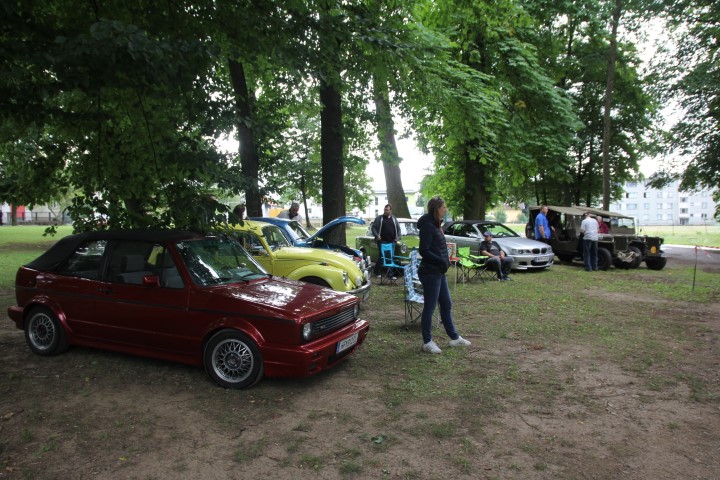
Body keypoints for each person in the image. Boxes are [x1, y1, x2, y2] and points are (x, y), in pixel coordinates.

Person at [417, 196, 471, 354]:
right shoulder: (427, 226)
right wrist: (440, 260)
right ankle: (427, 342)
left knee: (446, 304)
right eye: (443, 207)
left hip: (439, 272)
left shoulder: (436, 224)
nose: (445, 209)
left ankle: (455, 338)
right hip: (430, 272)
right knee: (430, 307)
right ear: (436, 209)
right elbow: (424, 250)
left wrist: (444, 260)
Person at [371, 204, 401, 278]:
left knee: (391, 257)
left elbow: (398, 229)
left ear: (390, 210)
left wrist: (397, 237)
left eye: (387, 210)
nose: (385, 211)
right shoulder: (379, 218)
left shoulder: (394, 218)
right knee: (382, 257)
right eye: (385, 209)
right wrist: (377, 236)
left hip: (392, 242)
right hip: (382, 241)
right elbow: (373, 228)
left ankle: (390, 275)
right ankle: (376, 271)